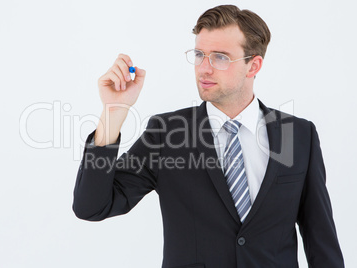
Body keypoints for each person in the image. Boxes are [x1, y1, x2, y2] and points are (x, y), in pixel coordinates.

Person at [73, 5, 344, 268]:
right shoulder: (167, 133)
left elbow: (321, 240)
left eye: (220, 57)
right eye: (199, 54)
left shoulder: (297, 134)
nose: (204, 68)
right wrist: (113, 113)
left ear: (253, 66)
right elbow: (92, 206)